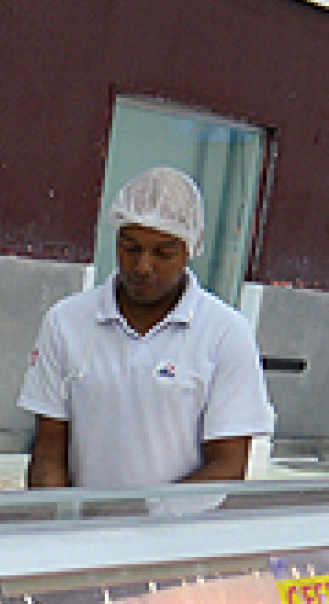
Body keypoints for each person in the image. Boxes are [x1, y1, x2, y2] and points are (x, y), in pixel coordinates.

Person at [20, 166, 274, 489]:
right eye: (131, 248)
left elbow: (228, 465)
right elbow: (49, 449)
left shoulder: (225, 334)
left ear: (189, 250)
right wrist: (53, 526)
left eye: (163, 253)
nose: (142, 266)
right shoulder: (67, 322)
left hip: (178, 533)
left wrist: (142, 519)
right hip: (85, 532)